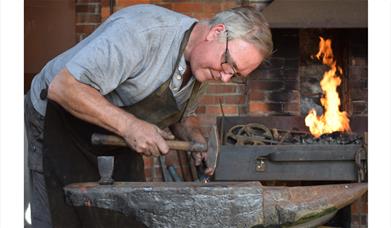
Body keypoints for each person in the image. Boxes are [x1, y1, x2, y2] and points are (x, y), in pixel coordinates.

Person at [24, 3, 273, 228]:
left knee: (127, 217)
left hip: (114, 136)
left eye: (237, 75)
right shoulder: (142, 33)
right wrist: (131, 126)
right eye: (229, 63)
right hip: (58, 122)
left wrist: (195, 138)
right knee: (62, 215)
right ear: (216, 32)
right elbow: (64, 87)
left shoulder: (204, 65)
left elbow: (180, 114)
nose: (226, 77)